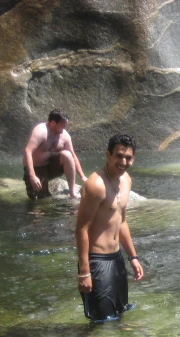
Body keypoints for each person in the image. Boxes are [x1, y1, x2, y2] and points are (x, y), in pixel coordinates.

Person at [75, 134, 143, 322]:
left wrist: (133, 257)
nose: (123, 161)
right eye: (119, 156)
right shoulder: (96, 185)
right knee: (101, 321)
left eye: (128, 157)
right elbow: (81, 229)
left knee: (119, 314)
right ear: (108, 155)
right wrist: (84, 272)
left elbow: (121, 221)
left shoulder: (126, 181)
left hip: (116, 258)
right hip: (97, 260)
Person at [22, 109, 87, 199]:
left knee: (67, 154)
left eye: (65, 126)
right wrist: (32, 176)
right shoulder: (40, 131)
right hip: (37, 169)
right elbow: (27, 151)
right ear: (53, 123)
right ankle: (37, 182)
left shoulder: (65, 135)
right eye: (62, 125)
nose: (64, 128)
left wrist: (83, 177)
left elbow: (73, 156)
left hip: (51, 167)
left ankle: (72, 192)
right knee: (38, 199)